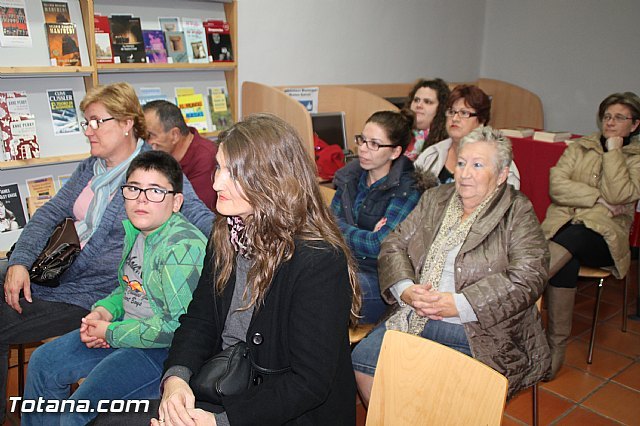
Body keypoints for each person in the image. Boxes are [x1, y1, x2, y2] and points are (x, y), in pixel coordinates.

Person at [95, 113, 360, 426]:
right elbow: (199, 320)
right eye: (219, 167)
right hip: (224, 387)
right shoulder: (227, 234)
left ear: (271, 180)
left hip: (282, 413)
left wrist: (219, 422)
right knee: (108, 421)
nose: (216, 182)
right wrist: (177, 380)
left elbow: (308, 384)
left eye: (233, 173)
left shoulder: (319, 260)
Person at [0, 82, 214, 424]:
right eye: (85, 122)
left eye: (97, 121)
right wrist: (20, 260)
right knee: (43, 362)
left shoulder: (155, 176)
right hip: (91, 290)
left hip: (91, 297)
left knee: (74, 403)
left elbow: (201, 220)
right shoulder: (97, 172)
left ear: (127, 123)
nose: (89, 130)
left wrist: (242, 244)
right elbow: (54, 214)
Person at [352, 127, 550, 404]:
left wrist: (460, 304)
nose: (465, 173)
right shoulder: (436, 198)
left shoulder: (517, 211)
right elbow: (394, 244)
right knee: (363, 362)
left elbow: (529, 274)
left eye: (477, 165)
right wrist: (406, 289)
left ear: (502, 174)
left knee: (438, 387)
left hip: (478, 329)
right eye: (461, 163)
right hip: (415, 312)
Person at [21, 150, 208, 426]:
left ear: (177, 201)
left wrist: (110, 332)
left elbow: (177, 328)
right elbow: (129, 288)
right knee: (43, 362)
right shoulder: (139, 231)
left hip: (162, 352)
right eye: (134, 189)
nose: (141, 199)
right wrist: (105, 311)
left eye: (155, 191)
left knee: (77, 412)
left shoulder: (181, 248)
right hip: (126, 331)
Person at [542, 92, 640, 380]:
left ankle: (520, 290)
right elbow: (557, 185)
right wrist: (598, 198)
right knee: (568, 255)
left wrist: (614, 152)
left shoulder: (636, 157)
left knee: (576, 237)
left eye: (619, 118)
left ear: (634, 125)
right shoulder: (580, 146)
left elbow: (619, 194)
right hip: (563, 227)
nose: (610, 122)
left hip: (605, 238)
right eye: (607, 116)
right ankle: (555, 347)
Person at [331, 110, 425, 323]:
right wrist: (365, 234)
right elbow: (326, 227)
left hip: (381, 280)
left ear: (395, 152)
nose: (363, 149)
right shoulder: (349, 177)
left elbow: (380, 246)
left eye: (374, 144)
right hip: (345, 264)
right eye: (362, 140)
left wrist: (341, 229)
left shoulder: (408, 190)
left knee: (328, 291)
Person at [414, 84, 521, 188]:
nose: (455, 118)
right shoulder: (432, 154)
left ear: (481, 120)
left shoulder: (499, 160)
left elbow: (507, 198)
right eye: (451, 112)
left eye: (464, 113)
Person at [143, 100, 218, 211]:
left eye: (150, 136)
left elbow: (193, 211)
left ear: (175, 135)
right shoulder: (159, 156)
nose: (145, 143)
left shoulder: (206, 158)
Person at [402, 78, 450, 161]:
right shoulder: (396, 131)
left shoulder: (446, 144)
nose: (419, 105)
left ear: (441, 109)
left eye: (427, 102)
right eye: (416, 100)